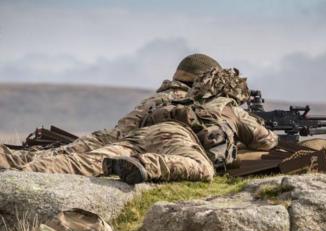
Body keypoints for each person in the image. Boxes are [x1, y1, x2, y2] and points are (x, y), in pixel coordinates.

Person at [4, 67, 278, 183]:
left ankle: (23, 166)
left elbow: (122, 129)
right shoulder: (226, 106)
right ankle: (146, 165)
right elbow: (266, 141)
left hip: (144, 134)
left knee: (88, 160)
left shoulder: (174, 100)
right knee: (204, 169)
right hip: (177, 140)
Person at [0, 53, 222, 170]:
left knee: (54, 153)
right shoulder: (187, 101)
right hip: (124, 144)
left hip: (108, 135)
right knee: (65, 161)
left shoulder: (161, 94)